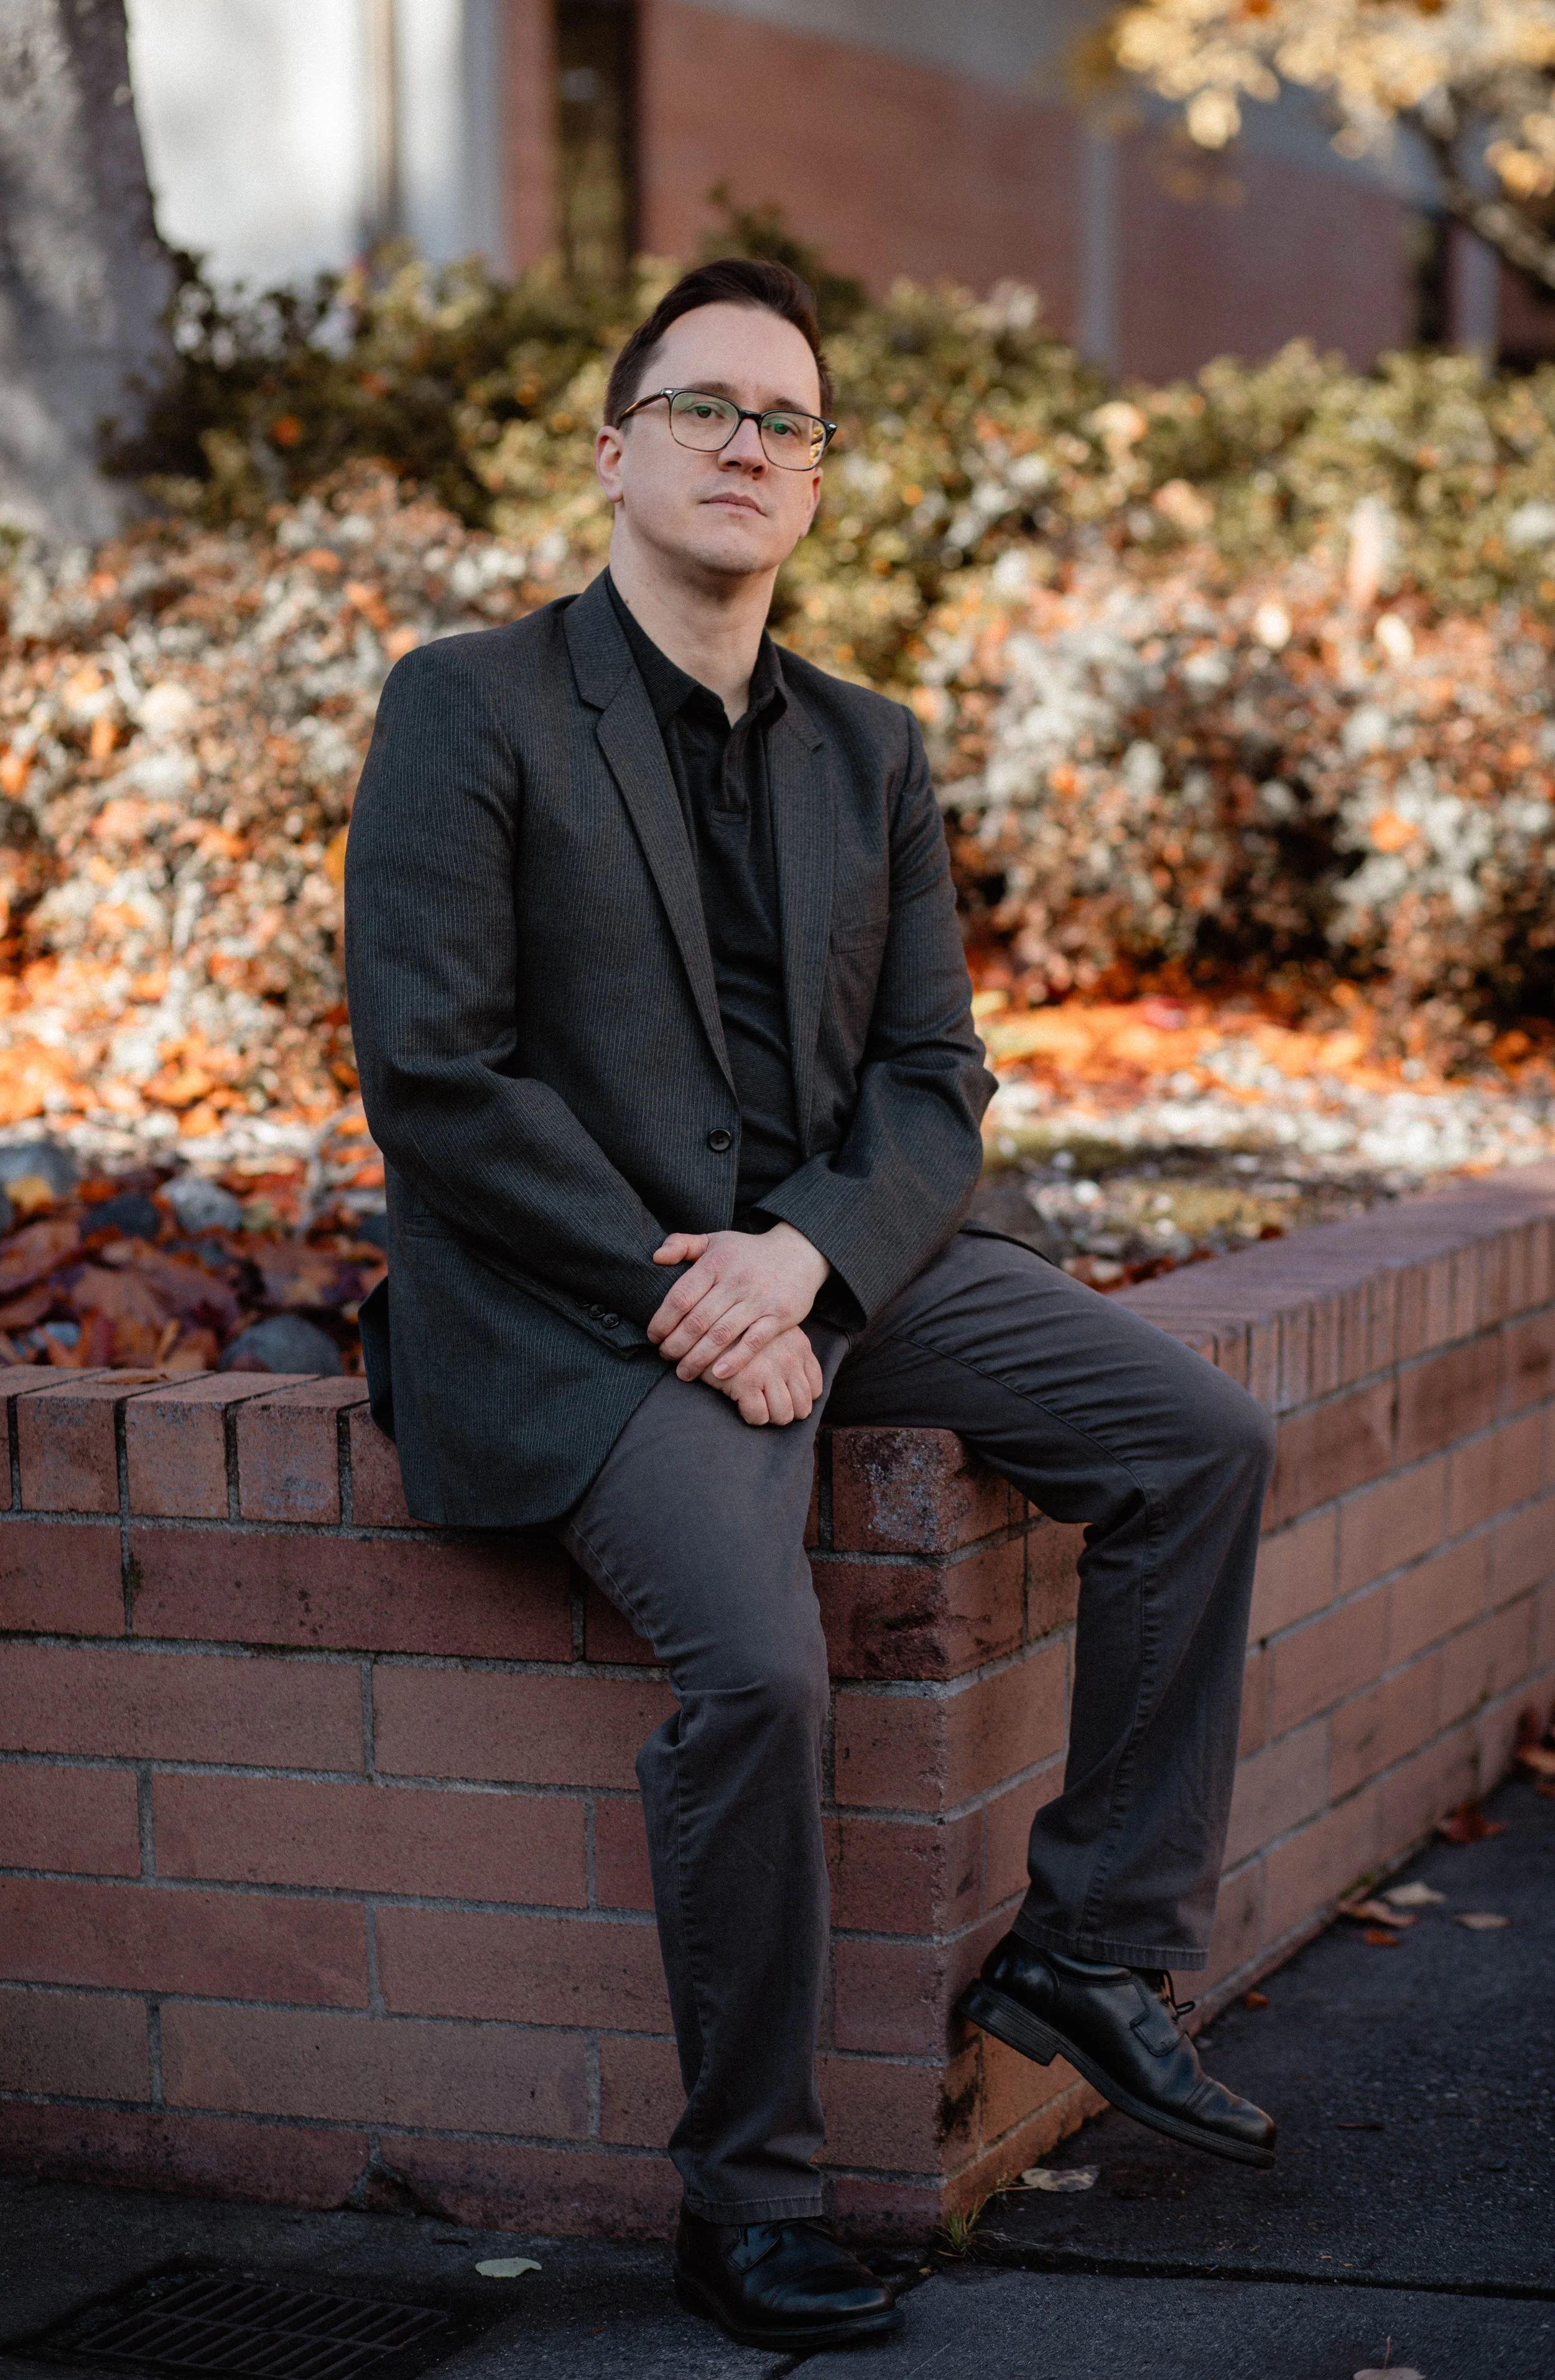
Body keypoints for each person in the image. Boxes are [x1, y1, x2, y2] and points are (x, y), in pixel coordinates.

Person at [343, 258, 1278, 2355]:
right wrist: (690, 1290)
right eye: (705, 410)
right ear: (613, 451)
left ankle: (1094, 1950)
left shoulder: (870, 750)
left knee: (1194, 1440)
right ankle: (742, 2203)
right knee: (761, 1673)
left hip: (830, 1270)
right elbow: (433, 1069)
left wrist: (810, 1264)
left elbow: (936, 1078)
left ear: (819, 479)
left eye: (788, 423)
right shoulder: (469, 703)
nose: (750, 447)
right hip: (573, 1298)